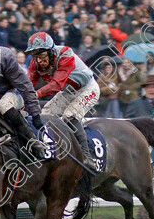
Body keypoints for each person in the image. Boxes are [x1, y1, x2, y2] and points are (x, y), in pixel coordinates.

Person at [24, 32, 99, 172]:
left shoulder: (65, 55)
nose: (39, 60)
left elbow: (56, 85)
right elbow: (27, 83)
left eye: (42, 55)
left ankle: (87, 156)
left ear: (51, 51)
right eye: (35, 56)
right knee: (44, 115)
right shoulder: (35, 63)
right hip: (68, 91)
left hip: (87, 89)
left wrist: (35, 94)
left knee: (69, 117)